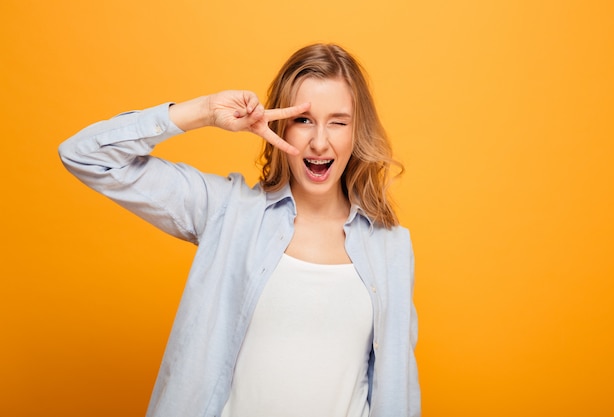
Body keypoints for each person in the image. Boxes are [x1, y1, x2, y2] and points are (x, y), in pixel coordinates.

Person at [59, 43, 420, 417]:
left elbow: (398, 390)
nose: (319, 141)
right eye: (304, 119)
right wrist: (204, 111)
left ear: (357, 131)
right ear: (278, 124)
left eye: (338, 122)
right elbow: (84, 156)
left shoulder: (391, 247)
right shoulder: (228, 212)